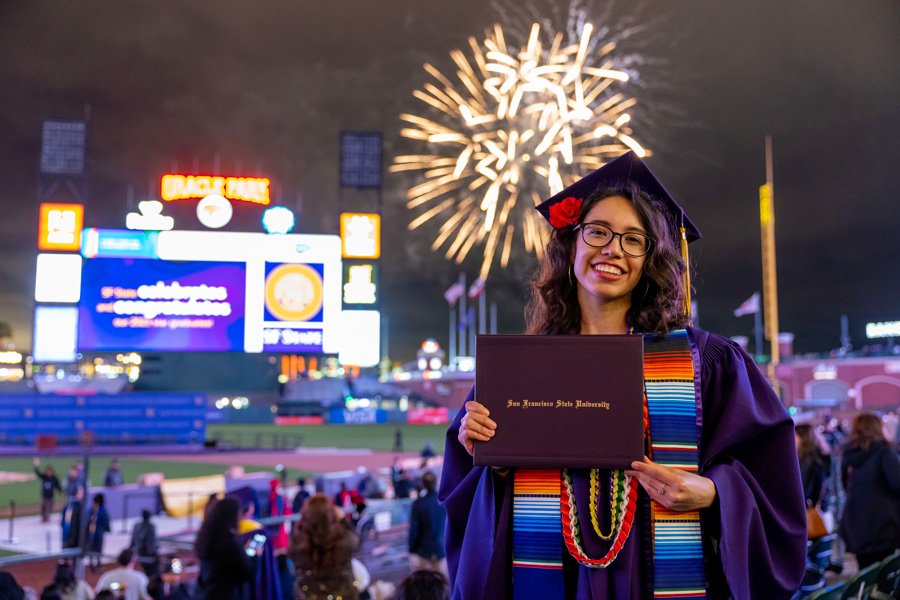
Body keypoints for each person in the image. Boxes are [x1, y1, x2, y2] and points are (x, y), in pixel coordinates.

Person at [441, 152, 807, 598]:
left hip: (661, 581)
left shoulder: (705, 362)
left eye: (634, 239)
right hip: (555, 578)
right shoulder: (519, 369)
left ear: (650, 259)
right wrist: (487, 459)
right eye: (597, 232)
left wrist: (713, 493)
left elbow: (773, 479)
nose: (612, 249)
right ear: (571, 244)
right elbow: (466, 499)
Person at [838, 412, 900, 569]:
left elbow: (845, 485)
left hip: (856, 524)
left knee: (866, 575)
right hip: (883, 524)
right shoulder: (884, 451)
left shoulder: (849, 454)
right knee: (884, 575)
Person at [288, 494, 361, 600]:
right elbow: (356, 542)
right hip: (345, 596)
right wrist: (343, 520)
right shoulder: (344, 542)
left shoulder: (299, 546)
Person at [193, 497, 255, 600]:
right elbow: (248, 572)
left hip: (206, 594)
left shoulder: (206, 538)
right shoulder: (229, 543)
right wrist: (255, 554)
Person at [408, 472, 448, 579]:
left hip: (422, 552)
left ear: (422, 484)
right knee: (440, 586)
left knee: (422, 586)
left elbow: (414, 529)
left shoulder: (418, 504)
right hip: (440, 550)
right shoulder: (443, 501)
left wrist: (411, 549)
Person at [795, 423, 832, 512]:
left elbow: (803, 491)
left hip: (809, 511)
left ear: (802, 438)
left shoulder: (805, 460)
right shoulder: (819, 456)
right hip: (823, 509)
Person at [130, 510, 159, 578]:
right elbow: (152, 541)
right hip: (149, 553)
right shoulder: (151, 527)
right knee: (151, 571)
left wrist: (132, 547)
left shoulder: (136, 526)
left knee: (147, 569)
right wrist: (155, 552)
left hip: (140, 551)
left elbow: (133, 539)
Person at [86, 494, 111, 573]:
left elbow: (105, 521)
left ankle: (98, 565)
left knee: (98, 549)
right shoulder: (93, 510)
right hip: (92, 533)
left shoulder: (102, 510)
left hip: (98, 533)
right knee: (92, 548)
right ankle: (92, 565)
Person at [33, 458, 62, 523]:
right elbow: (37, 473)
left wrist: (59, 491)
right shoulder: (44, 477)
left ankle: (47, 517)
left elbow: (57, 485)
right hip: (44, 495)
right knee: (43, 506)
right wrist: (36, 465)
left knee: (49, 506)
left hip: (50, 495)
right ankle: (43, 517)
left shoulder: (54, 478)